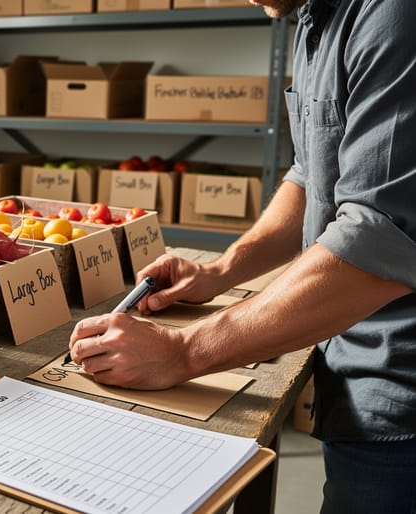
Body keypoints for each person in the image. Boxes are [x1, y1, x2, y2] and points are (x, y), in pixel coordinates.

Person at [67, 0, 416, 512]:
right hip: (354, 365)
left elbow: (377, 242)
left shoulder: (395, 15)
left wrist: (182, 352)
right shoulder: (311, 17)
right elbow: (313, 174)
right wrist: (221, 270)